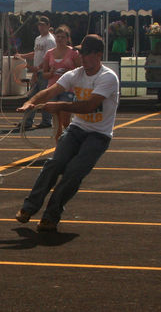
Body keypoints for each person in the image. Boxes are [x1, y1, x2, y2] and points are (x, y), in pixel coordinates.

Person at [15, 34, 119, 232]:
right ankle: (29, 207)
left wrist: (59, 106)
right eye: (81, 53)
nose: (82, 57)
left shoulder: (107, 77)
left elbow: (89, 105)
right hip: (77, 129)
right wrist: (30, 102)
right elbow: (50, 90)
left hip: (99, 135)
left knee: (74, 173)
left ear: (98, 55)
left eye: (86, 53)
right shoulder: (76, 74)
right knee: (54, 164)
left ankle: (51, 216)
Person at [41, 25, 82, 142]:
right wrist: (51, 72)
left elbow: (80, 70)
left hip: (68, 89)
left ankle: (71, 141)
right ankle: (58, 146)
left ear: (67, 38)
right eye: (57, 37)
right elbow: (44, 74)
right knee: (56, 121)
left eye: (62, 37)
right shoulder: (49, 53)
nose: (59, 39)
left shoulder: (73, 53)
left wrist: (70, 72)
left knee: (65, 119)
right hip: (53, 88)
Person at [16, 16, 56, 129]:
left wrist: (37, 68)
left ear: (48, 26)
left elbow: (49, 58)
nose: (41, 27)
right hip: (38, 72)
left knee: (42, 97)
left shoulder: (50, 40)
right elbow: (35, 53)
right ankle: (29, 121)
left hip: (44, 72)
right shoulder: (38, 38)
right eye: (39, 25)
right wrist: (22, 56)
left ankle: (44, 120)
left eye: (43, 25)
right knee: (34, 96)